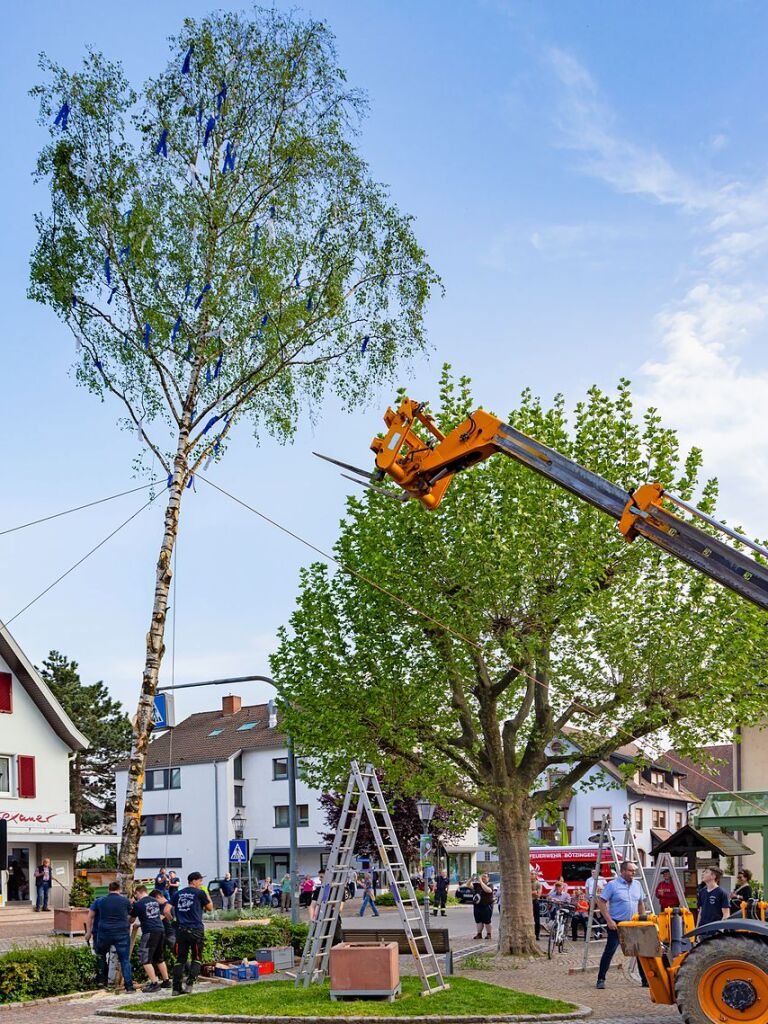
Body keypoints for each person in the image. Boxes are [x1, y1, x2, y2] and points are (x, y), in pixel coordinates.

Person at [596, 861, 647, 990]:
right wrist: (609, 920)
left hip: (633, 923)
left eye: (634, 871)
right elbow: (601, 902)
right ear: (623, 871)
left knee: (639, 952)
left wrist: (643, 919)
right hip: (617, 924)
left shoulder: (637, 884)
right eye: (630, 871)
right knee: (610, 951)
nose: (633, 873)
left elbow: (641, 903)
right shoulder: (612, 885)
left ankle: (645, 979)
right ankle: (601, 979)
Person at [86, 881, 135, 993]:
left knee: (101, 955)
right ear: (119, 889)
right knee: (124, 960)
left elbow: (90, 916)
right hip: (122, 933)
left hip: (104, 933)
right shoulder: (125, 901)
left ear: (108, 889)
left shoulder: (100, 901)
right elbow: (131, 918)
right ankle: (129, 986)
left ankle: (102, 981)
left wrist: (88, 932)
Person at [170, 871, 212, 996]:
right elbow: (210, 908)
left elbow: (167, 910)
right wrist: (207, 894)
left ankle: (176, 988)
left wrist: (174, 921)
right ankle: (189, 984)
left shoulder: (178, 893)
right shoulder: (200, 893)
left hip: (181, 930)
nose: (201, 883)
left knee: (180, 959)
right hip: (196, 930)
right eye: (200, 881)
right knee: (197, 958)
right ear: (193, 881)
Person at [130, 885, 172, 992]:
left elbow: (131, 920)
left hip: (149, 932)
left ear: (138, 893)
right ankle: (166, 981)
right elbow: (151, 917)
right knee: (159, 957)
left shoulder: (138, 904)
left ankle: (154, 984)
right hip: (160, 929)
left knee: (145, 958)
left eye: (136, 895)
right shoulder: (154, 901)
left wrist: (132, 906)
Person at [472, 872, 494, 940]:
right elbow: (468, 885)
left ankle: (489, 934)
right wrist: (471, 879)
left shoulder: (490, 885)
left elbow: (488, 890)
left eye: (485, 877)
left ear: (488, 878)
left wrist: (481, 881)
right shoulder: (477, 885)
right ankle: (479, 934)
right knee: (478, 921)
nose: (483, 878)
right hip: (477, 906)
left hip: (486, 906)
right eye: (482, 876)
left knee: (487, 921)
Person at [531, 869, 542, 941]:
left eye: (532, 874)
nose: (531, 875)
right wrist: (533, 892)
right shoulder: (526, 883)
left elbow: (538, 895)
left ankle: (537, 935)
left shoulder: (538, 883)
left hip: (535, 902)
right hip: (526, 903)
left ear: (536, 876)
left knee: (537, 920)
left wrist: (535, 893)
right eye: (530, 874)